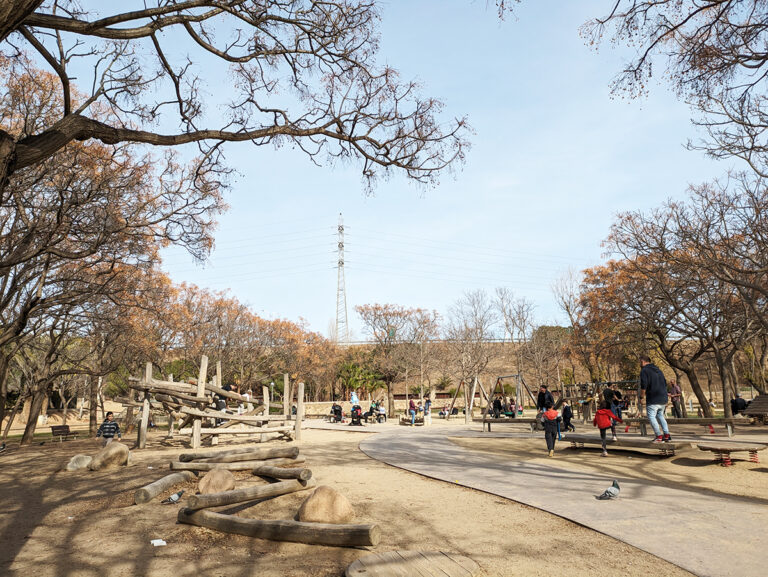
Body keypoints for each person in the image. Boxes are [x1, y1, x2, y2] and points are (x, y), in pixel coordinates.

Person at [638, 355, 671, 443]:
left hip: (653, 398)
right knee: (660, 416)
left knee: (651, 416)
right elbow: (664, 383)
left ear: (642, 361)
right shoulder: (658, 370)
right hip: (663, 398)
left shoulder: (644, 370)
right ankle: (667, 435)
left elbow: (644, 385)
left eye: (639, 362)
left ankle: (658, 436)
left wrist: (641, 397)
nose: (639, 364)